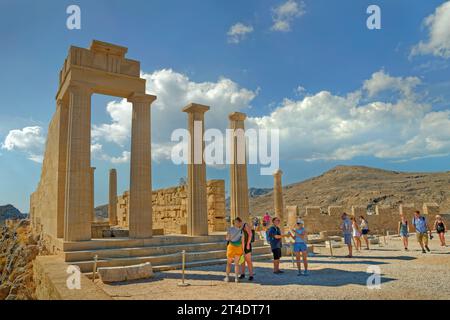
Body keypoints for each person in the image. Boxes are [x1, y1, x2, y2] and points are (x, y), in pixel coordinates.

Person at [224, 218, 245, 283]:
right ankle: (236, 278)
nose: (237, 223)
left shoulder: (230, 229)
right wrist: (243, 250)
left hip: (231, 246)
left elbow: (227, 238)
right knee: (236, 264)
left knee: (229, 263)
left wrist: (229, 237)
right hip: (238, 247)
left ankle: (227, 277)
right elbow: (243, 241)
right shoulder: (241, 231)